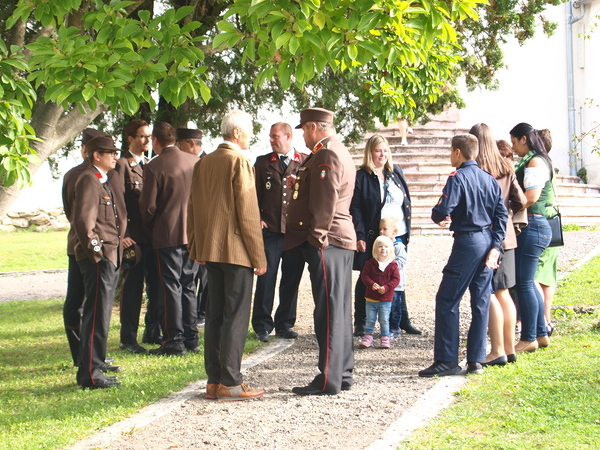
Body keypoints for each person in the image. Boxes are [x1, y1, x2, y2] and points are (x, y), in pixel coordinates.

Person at [187, 109, 267, 401]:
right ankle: (231, 381)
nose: (251, 136)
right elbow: (248, 213)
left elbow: (192, 207)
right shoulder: (239, 161)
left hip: (211, 250)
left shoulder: (204, 162)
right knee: (235, 317)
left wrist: (195, 246)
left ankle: (214, 380)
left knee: (216, 316)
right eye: (249, 131)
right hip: (236, 252)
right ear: (236, 132)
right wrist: (259, 256)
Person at [418, 134, 507, 378]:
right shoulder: (489, 179)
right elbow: (502, 215)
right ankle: (476, 359)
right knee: (480, 300)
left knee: (447, 299)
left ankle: (447, 360)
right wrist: (496, 246)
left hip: (467, 242)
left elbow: (443, 209)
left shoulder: (457, 178)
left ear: (457, 152)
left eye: (451, 151)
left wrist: (439, 215)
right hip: (487, 240)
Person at [284, 107, 356, 396]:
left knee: (328, 311)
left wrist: (317, 238)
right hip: (336, 239)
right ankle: (342, 373)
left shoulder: (326, 153)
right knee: (338, 309)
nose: (302, 134)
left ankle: (328, 378)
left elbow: (326, 200)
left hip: (328, 240)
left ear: (314, 127)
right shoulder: (333, 150)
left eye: (304, 129)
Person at [139, 122, 200, 356]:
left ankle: (174, 339)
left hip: (167, 234)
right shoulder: (195, 161)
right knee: (189, 285)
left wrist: (151, 226)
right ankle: (191, 337)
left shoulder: (154, 166)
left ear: (155, 140)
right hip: (192, 233)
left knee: (171, 287)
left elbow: (148, 206)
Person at [350, 134, 419, 337]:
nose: (382, 154)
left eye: (385, 150)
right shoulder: (362, 176)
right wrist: (360, 235)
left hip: (398, 234)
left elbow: (405, 200)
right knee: (367, 275)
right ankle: (361, 321)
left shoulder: (395, 171)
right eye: (378, 151)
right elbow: (356, 209)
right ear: (370, 153)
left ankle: (401, 319)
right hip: (376, 235)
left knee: (398, 275)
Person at [470, 123, 527, 366]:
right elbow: (521, 200)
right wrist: (506, 211)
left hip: (486, 236)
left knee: (487, 292)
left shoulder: (476, 170)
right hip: (508, 236)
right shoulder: (506, 166)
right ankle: (509, 348)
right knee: (504, 293)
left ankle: (496, 350)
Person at [72, 134, 126, 388]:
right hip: (99, 258)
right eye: (111, 152)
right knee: (95, 315)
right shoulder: (89, 179)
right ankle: (91, 375)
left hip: (108, 255)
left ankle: (95, 365)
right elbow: (84, 223)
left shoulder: (100, 179)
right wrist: (98, 254)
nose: (115, 156)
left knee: (101, 314)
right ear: (96, 155)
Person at [252, 122, 306, 342]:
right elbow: (253, 194)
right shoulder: (263, 162)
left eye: (275, 136)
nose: (271, 140)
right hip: (271, 230)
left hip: (294, 233)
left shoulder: (304, 161)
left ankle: (285, 323)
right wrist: (257, 218)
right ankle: (262, 325)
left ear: (288, 136)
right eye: (271, 136)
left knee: (291, 280)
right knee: (266, 278)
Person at [114, 119, 160, 353]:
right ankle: (128, 338)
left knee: (156, 286)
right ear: (130, 138)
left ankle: (152, 332)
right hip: (133, 239)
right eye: (142, 136)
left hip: (152, 237)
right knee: (132, 289)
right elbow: (116, 202)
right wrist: (123, 234)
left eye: (149, 136)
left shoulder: (149, 164)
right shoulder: (122, 165)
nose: (147, 140)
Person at [62, 127, 104, 367]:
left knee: (77, 301)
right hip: (85, 245)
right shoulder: (85, 175)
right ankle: (87, 355)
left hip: (77, 243)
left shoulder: (74, 174)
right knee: (86, 302)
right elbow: (76, 214)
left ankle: (84, 353)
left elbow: (69, 211)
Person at [510, 123, 554, 353]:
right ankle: (540, 333)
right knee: (528, 282)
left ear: (524, 139)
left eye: (514, 142)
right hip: (536, 225)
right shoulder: (537, 159)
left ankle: (528, 338)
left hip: (532, 224)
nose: (513, 147)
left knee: (523, 283)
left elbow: (532, 196)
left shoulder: (535, 161)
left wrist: (507, 209)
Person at [176, 128, 208, 327]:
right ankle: (191, 313)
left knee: (204, 276)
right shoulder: (187, 162)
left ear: (190, 144)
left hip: (203, 228)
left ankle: (201, 313)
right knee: (190, 276)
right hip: (189, 228)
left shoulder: (206, 163)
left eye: (180, 145)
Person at [535, 128, 559, 337]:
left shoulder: (537, 164)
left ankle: (540, 322)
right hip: (552, 221)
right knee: (547, 276)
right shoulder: (549, 164)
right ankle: (547, 319)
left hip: (540, 219)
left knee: (533, 274)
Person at [359, 235, 400, 349]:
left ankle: (385, 337)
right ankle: (368, 336)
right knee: (370, 319)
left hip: (386, 299)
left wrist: (386, 287)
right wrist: (371, 284)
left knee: (384, 319)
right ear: (375, 249)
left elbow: (396, 280)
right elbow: (365, 276)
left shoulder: (393, 265)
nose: (383, 249)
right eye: (380, 246)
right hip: (370, 298)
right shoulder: (370, 263)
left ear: (390, 249)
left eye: (386, 247)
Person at [378, 216, 408, 339]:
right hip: (384, 283)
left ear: (394, 232)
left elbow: (402, 261)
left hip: (396, 284)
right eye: (380, 229)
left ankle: (395, 328)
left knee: (395, 307)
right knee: (385, 307)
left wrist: (389, 265)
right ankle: (386, 328)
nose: (381, 231)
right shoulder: (381, 246)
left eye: (385, 229)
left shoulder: (398, 246)